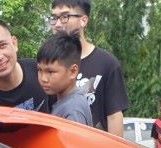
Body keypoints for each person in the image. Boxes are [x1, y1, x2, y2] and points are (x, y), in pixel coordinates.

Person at [49, 1, 129, 134]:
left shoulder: (107, 63)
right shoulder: (48, 65)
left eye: (64, 17)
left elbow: (114, 116)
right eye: (54, 18)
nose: (57, 24)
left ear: (83, 20)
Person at [37, 34, 93, 126]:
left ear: (73, 71)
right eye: (39, 70)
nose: (43, 78)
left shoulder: (73, 111)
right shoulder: (65, 102)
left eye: (50, 72)